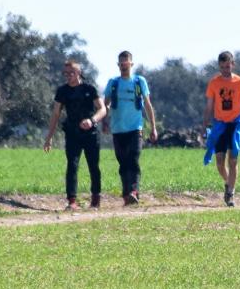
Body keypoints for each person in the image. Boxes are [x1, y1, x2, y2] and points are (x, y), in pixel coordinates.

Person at [44, 60, 106, 211]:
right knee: (72, 165)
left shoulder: (89, 89)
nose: (68, 76)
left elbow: (103, 109)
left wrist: (92, 121)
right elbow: (56, 114)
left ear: (78, 73)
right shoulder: (62, 91)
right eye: (65, 73)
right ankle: (72, 200)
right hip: (72, 133)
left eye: (71, 73)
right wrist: (49, 137)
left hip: (90, 133)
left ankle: (95, 199)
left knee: (93, 166)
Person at [102, 51, 158, 206]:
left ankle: (134, 191)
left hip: (135, 128)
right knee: (123, 162)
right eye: (121, 63)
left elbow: (147, 104)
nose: (123, 66)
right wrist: (104, 121)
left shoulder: (139, 82)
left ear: (131, 64)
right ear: (118, 65)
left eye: (126, 63)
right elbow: (104, 105)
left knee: (133, 158)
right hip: (118, 129)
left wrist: (153, 127)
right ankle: (127, 194)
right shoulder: (113, 83)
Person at [203, 51, 240, 207]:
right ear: (219, 66)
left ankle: (231, 193)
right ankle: (228, 183)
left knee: (233, 160)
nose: (225, 69)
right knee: (219, 162)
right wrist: (204, 125)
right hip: (219, 125)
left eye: (227, 66)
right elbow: (209, 107)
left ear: (233, 64)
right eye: (222, 66)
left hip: (235, 125)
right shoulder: (214, 83)